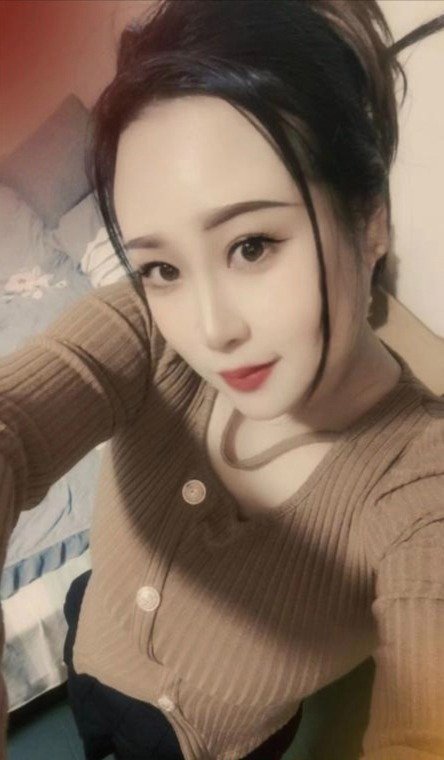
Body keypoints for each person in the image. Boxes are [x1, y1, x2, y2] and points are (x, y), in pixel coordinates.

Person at [1, 1, 443, 758]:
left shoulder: (421, 484)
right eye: (162, 268)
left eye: (251, 245)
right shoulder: (147, 329)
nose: (209, 331)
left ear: (370, 220)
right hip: (91, 655)